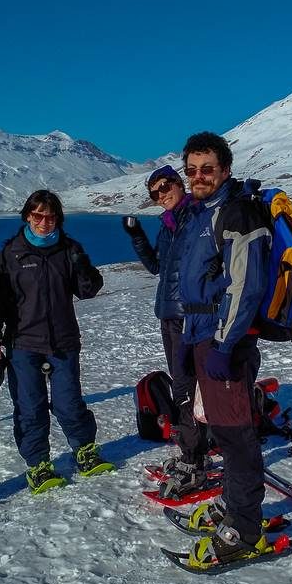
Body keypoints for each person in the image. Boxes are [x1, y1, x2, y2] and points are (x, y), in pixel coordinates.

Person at [170, 131, 273, 565]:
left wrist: (224, 344)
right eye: (191, 170)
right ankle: (235, 508)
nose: (198, 177)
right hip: (202, 334)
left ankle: (245, 531)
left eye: (207, 169)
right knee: (224, 434)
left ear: (225, 170)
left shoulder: (237, 213)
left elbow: (244, 285)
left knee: (237, 436)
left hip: (224, 340)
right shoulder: (202, 213)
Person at [0, 190, 112, 494]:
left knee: (69, 402)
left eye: (50, 216)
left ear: (58, 219)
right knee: (30, 406)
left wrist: (81, 265)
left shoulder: (69, 249)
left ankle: (85, 450)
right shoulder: (12, 254)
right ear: (28, 216)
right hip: (23, 342)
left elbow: (89, 290)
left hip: (63, 341)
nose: (44, 222)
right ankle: (38, 464)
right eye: (38, 215)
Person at [121, 165, 203, 444]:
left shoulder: (196, 216)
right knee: (181, 378)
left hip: (189, 314)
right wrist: (137, 237)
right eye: (155, 194)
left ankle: (194, 443)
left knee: (185, 380)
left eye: (165, 188)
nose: (161, 196)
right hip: (168, 312)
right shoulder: (169, 225)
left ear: (179, 183)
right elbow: (157, 266)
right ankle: (195, 435)